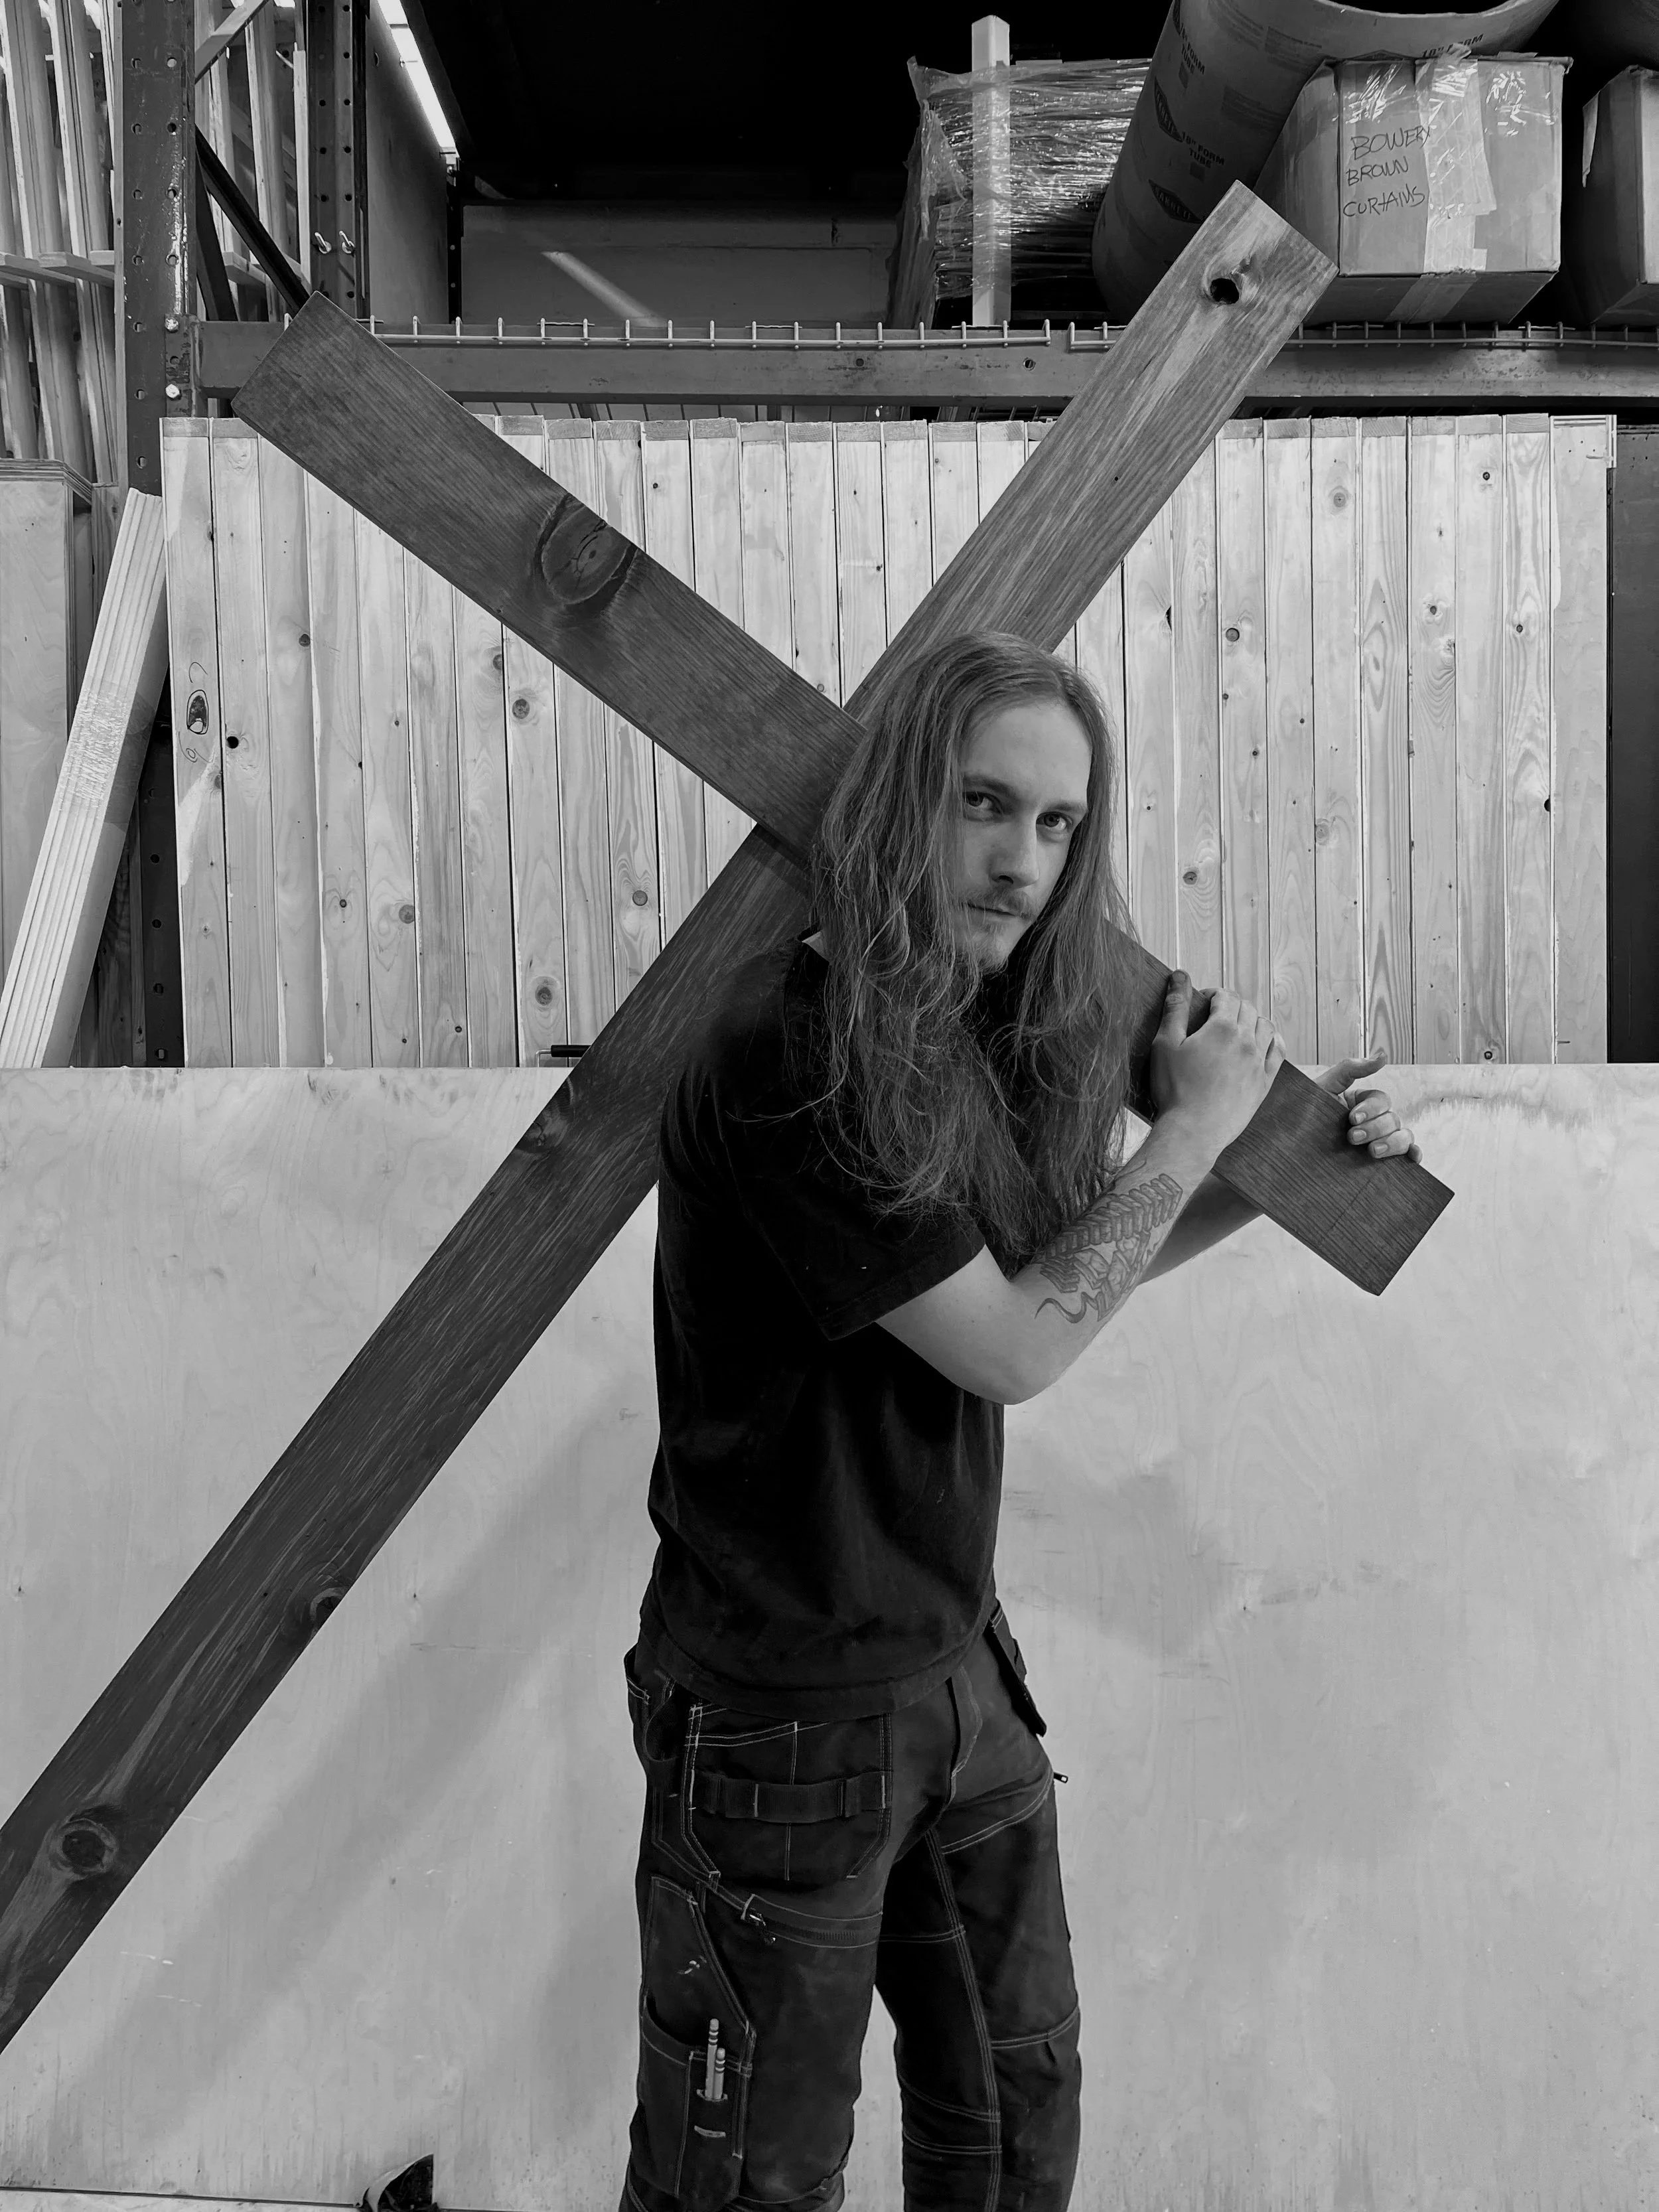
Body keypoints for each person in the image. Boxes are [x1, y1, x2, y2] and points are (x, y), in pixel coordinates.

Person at [619, 630, 1421, 2212]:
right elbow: (1009, 1348)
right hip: (787, 1708)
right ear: (896, 802)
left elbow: (1067, 1267)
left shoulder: (951, 1038)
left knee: (1010, 2109)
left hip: (952, 1668)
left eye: (1058, 826)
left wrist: (1279, 1175)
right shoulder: (793, 1055)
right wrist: (1195, 1134)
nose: (1021, 862)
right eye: (986, 805)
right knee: (749, 2179)